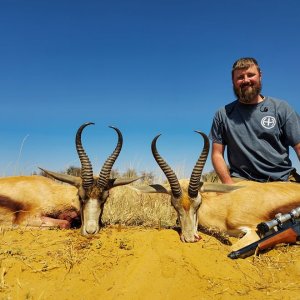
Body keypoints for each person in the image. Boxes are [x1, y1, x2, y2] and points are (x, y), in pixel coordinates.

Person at [209, 57, 300, 184]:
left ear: (260, 76)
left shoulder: (281, 108)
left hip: (282, 179)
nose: (246, 80)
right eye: (240, 77)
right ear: (233, 81)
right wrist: (228, 185)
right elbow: (217, 154)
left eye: (250, 75)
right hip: (242, 181)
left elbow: (299, 147)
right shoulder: (223, 114)